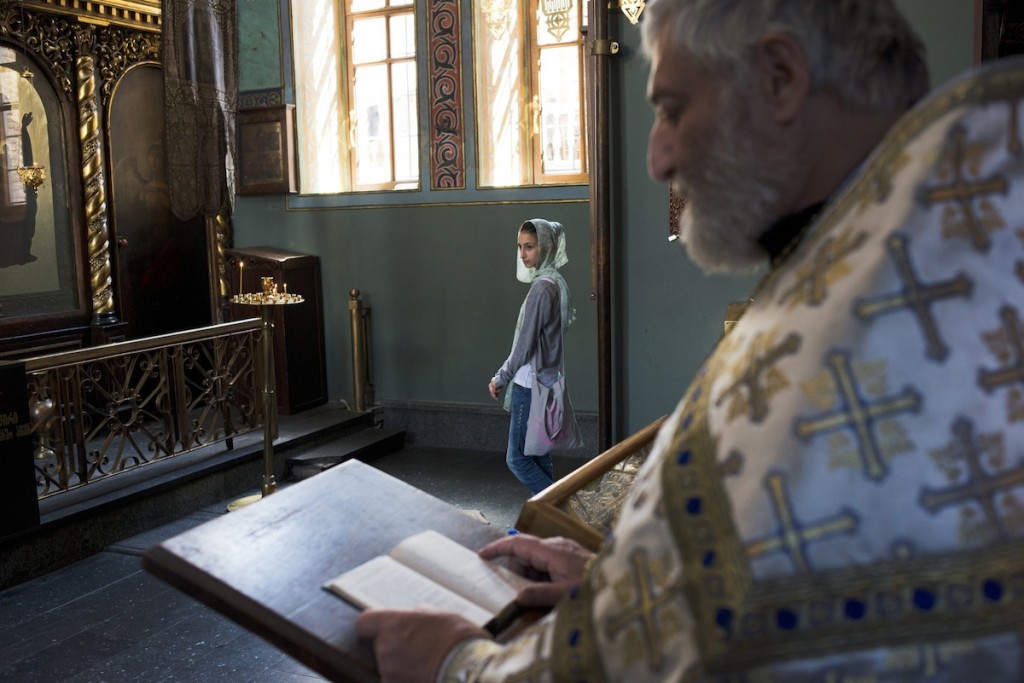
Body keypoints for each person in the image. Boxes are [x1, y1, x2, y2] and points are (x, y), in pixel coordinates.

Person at [357, 1, 1024, 680]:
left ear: (779, 77)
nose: (658, 156)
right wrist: (636, 582)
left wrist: (452, 662)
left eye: (672, 108)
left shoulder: (842, 345)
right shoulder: (947, 224)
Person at [486, 218, 577, 495]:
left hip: (530, 383)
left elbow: (525, 344)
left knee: (517, 459)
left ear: (545, 247)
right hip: (545, 380)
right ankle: (553, 522)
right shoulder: (555, 282)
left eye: (530, 247)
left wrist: (501, 376)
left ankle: (563, 513)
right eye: (520, 247)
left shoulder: (542, 287)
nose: (523, 254)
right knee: (537, 455)